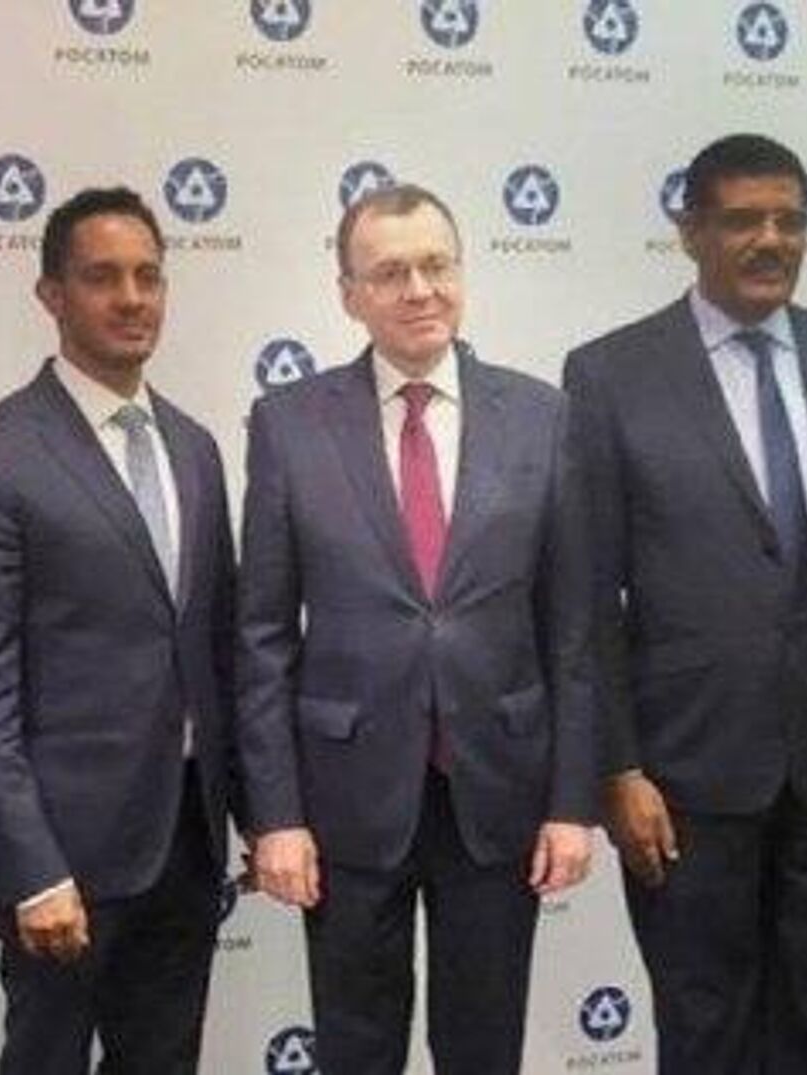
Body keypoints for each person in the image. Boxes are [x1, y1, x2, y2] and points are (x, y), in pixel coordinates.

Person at [562, 132, 807, 1073]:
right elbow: (587, 596)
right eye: (742, 220)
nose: (770, 239)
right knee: (706, 1027)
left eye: (789, 220)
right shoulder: (610, 374)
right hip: (686, 773)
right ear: (690, 231)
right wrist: (617, 765)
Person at [239, 183, 594, 1074]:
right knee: (357, 1047)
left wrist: (570, 803)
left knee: (484, 1045)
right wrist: (276, 815)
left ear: (463, 273)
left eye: (437, 265)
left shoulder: (541, 417)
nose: (419, 289)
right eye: (390, 272)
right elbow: (264, 638)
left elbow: (573, 631)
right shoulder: (289, 425)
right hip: (347, 795)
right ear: (349, 294)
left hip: (498, 790)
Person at [0, 186, 237, 1075]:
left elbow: (216, 649)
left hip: (187, 842)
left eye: (148, 276)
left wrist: (259, 815)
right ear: (52, 296)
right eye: (103, 277)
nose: (132, 298)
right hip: (63, 857)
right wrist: (33, 866)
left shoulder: (194, 447)